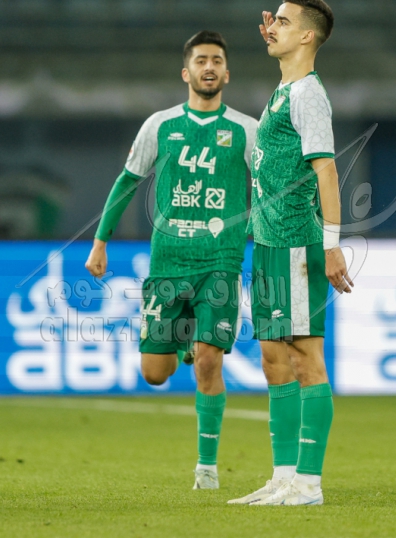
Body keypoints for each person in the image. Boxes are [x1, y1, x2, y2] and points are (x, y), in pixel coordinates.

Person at [85, 31, 257, 490]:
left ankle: (207, 468)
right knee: (155, 374)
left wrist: (259, 234)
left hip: (220, 260)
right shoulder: (159, 126)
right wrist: (100, 242)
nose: (209, 67)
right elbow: (127, 181)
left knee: (208, 362)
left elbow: (267, 187)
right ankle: (185, 342)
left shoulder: (247, 129)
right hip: (167, 263)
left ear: (226, 73)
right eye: (201, 60)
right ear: (186, 72)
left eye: (216, 60)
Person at [228, 0, 353, 507]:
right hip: (269, 242)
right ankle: (283, 476)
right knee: (274, 359)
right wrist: (280, 37)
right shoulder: (285, 89)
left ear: (307, 35)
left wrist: (332, 245)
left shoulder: (307, 95)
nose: (271, 27)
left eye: (283, 21)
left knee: (306, 359)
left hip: (298, 242)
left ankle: (309, 483)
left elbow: (326, 170)